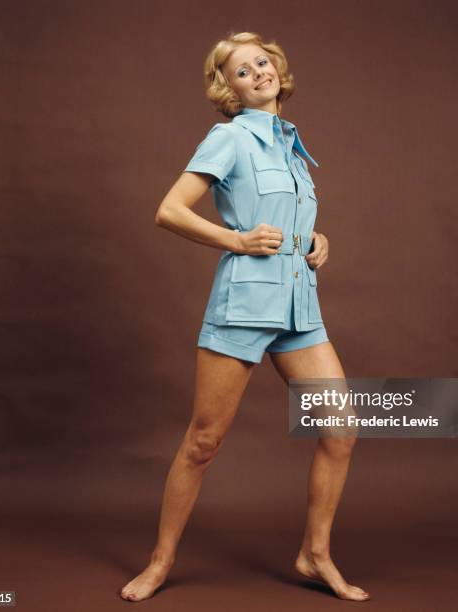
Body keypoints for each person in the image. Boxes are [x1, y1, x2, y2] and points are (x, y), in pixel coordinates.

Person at [119, 31, 370, 603]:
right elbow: (169, 210)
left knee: (340, 429)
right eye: (240, 70)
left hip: (299, 304)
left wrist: (317, 239)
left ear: (278, 70)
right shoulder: (229, 138)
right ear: (227, 89)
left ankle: (314, 553)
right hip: (245, 303)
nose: (256, 72)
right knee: (204, 441)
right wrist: (237, 239)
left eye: (262, 62)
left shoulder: (293, 147)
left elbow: (286, 215)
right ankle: (159, 563)